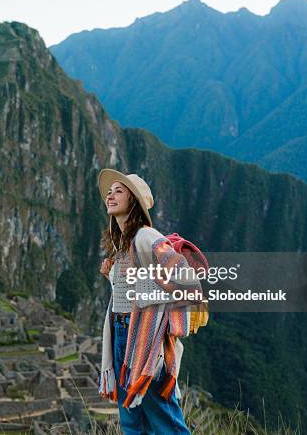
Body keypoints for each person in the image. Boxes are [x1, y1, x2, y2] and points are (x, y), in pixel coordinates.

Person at [97, 168, 197, 434]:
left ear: (134, 202)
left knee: (164, 419)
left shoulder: (145, 236)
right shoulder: (124, 244)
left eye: (119, 191)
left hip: (142, 338)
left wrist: (158, 315)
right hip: (122, 331)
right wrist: (113, 276)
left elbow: (183, 277)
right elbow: (131, 291)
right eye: (109, 191)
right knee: (132, 420)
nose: (110, 195)